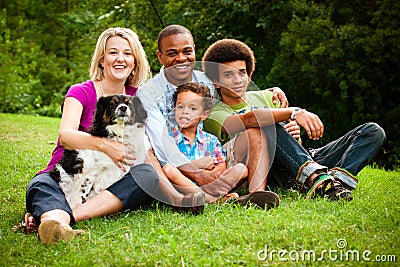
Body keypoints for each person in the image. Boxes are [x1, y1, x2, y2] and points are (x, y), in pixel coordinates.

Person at [23, 27, 203, 245]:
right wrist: (106, 146)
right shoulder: (81, 91)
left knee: (145, 175)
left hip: (111, 182)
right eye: (113, 53)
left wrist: (174, 196)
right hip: (67, 174)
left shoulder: (139, 98)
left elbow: (145, 150)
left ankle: (59, 218)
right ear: (101, 59)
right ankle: (54, 223)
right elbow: (66, 136)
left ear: (135, 62)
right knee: (43, 186)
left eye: (127, 53)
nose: (121, 59)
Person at [202, 38, 385, 200]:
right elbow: (250, 119)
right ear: (216, 81)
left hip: (303, 158)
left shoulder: (266, 98)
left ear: (249, 75)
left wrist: (294, 133)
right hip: (275, 171)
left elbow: (289, 141)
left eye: (241, 72)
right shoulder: (213, 113)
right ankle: (317, 178)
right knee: (264, 123)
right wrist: (295, 112)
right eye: (228, 74)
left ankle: (335, 183)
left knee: (372, 131)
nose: (237, 80)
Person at [137, 25, 284, 206]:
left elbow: (236, 90)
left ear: (194, 51)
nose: (181, 58)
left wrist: (270, 94)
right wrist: (199, 175)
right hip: (177, 167)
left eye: (187, 51)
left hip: (209, 156)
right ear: (160, 56)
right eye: (172, 53)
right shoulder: (148, 93)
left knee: (251, 142)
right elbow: (161, 146)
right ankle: (210, 198)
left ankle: (256, 196)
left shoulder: (206, 80)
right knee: (169, 169)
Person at [161, 81, 250, 203]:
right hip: (183, 186)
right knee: (170, 173)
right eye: (180, 106)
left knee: (241, 169)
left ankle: (217, 195)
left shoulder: (211, 140)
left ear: (204, 115)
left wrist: (212, 177)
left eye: (192, 108)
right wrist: (198, 164)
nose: (185, 111)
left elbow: (221, 165)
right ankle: (215, 200)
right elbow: (169, 167)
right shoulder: (169, 138)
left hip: (211, 184)